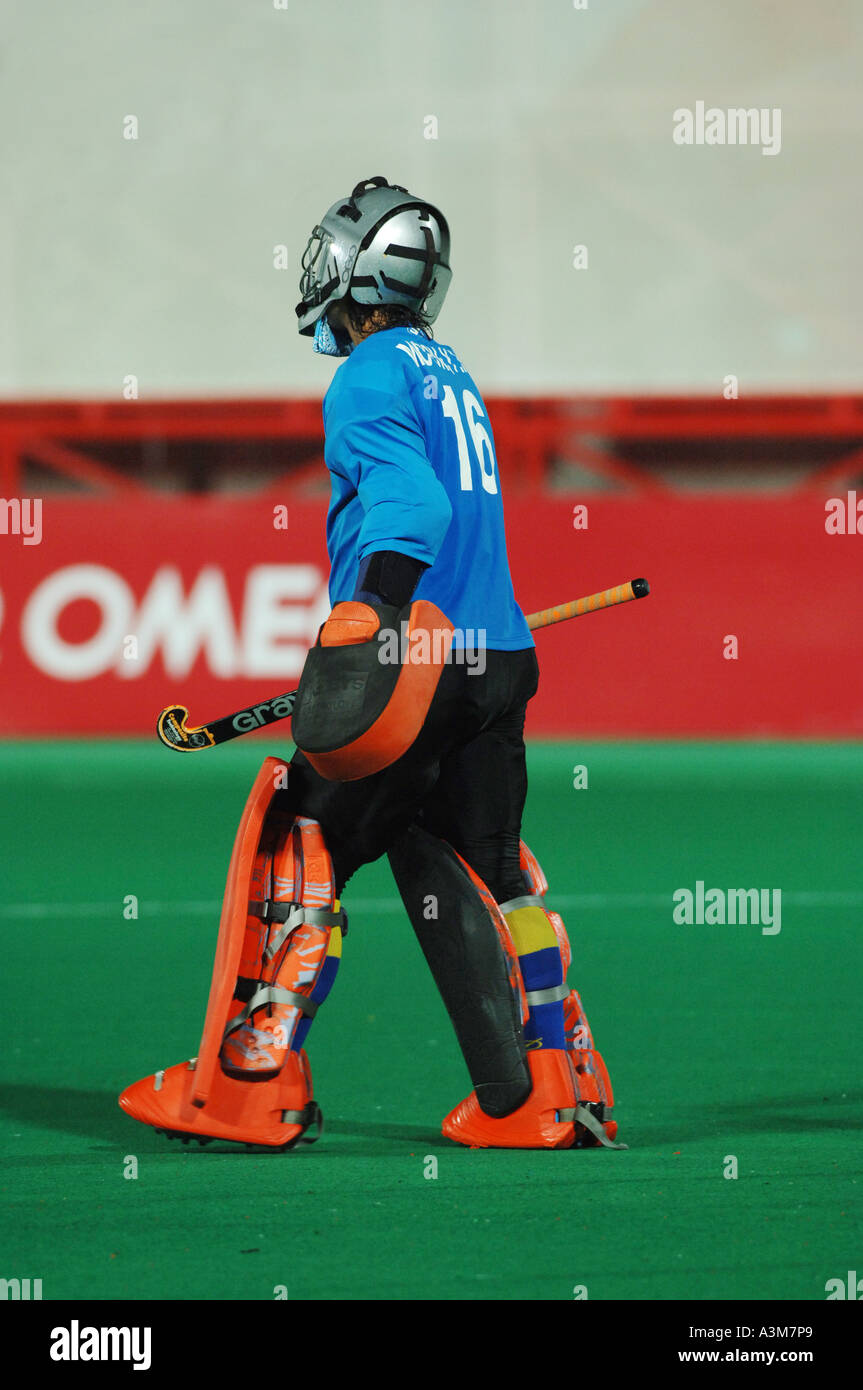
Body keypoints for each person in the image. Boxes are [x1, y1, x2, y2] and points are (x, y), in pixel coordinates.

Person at [119, 176, 621, 1151]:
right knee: (486, 871)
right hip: (496, 657)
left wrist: (368, 617)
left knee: (297, 842)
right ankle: (541, 1093)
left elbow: (412, 510)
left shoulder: (365, 375)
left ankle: (244, 1089)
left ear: (353, 271)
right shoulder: (446, 368)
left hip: (413, 656)